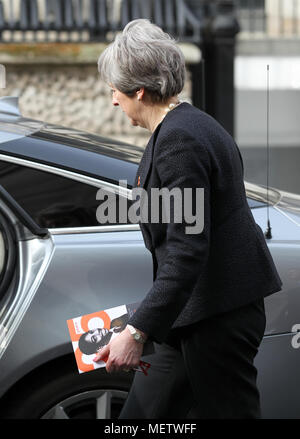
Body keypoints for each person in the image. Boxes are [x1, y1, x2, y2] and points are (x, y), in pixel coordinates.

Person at [94, 19, 283, 419]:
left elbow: (186, 248)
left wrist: (137, 331)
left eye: (115, 92)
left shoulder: (181, 140)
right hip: (193, 316)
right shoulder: (192, 124)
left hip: (215, 320)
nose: (114, 102)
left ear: (139, 91)